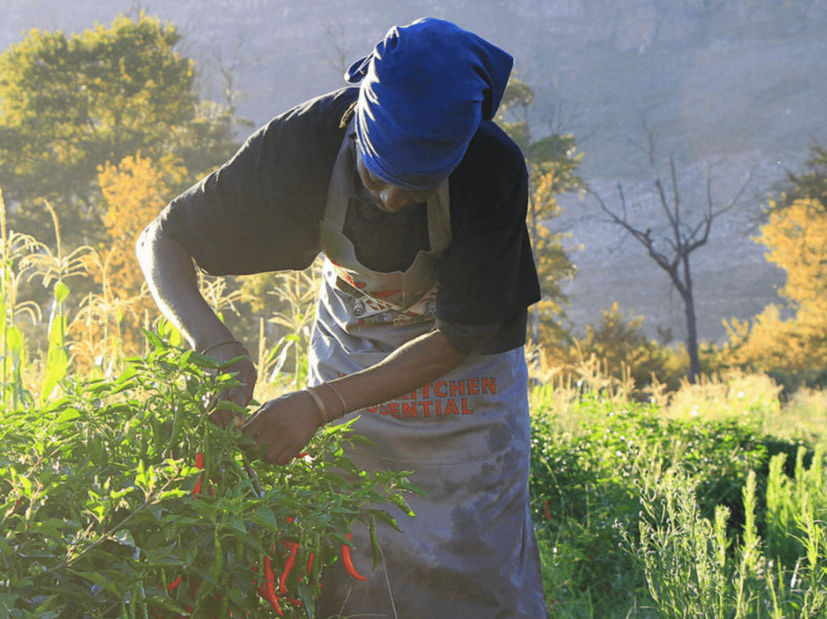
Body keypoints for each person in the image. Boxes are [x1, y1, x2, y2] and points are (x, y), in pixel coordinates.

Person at [137, 17, 546, 618]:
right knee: (353, 552)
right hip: (353, 343)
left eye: (416, 187)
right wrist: (218, 349)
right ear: (358, 124)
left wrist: (321, 404)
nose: (389, 201)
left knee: (476, 555)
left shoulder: (492, 168)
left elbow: (461, 335)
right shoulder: (302, 144)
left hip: (466, 385)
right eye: (378, 176)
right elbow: (162, 241)